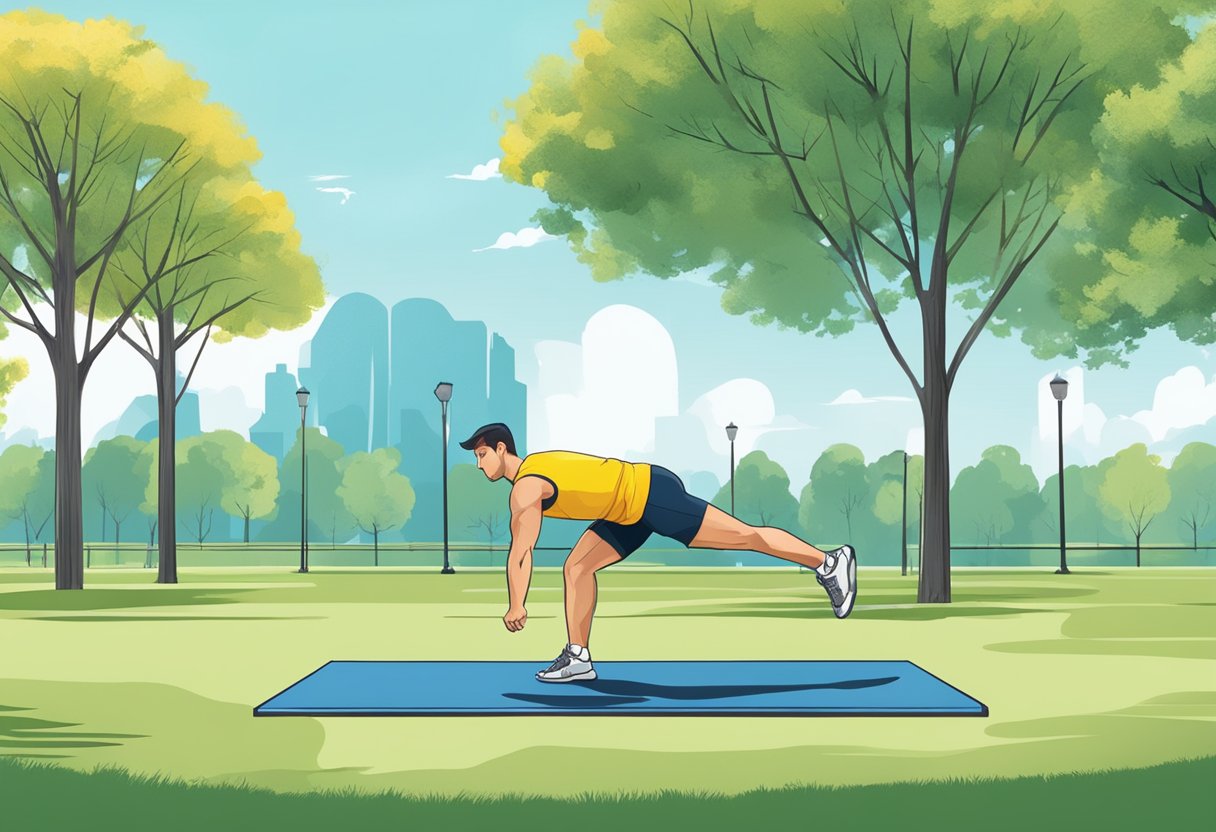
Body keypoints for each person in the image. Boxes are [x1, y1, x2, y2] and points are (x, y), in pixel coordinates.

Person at [459, 422, 857, 684]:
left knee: (744, 536)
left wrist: (517, 605)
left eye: (481, 456)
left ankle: (829, 563)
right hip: (624, 511)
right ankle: (578, 656)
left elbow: (522, 552)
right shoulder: (535, 470)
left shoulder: (526, 486)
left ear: (500, 448)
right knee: (577, 567)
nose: (479, 466)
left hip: (651, 497)